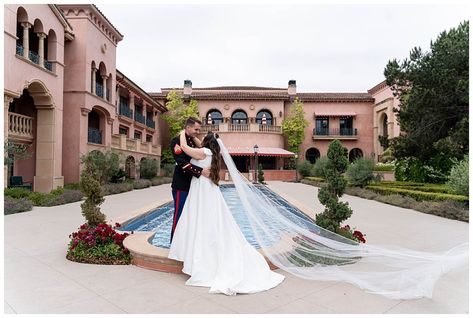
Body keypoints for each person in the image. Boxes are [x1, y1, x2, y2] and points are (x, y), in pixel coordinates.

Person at [168, 131, 285, 295]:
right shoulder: (210, 153)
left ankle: (204, 259)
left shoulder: (204, 153)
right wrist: (198, 135)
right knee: (208, 221)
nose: (199, 140)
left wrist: (182, 133)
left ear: (207, 144)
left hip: (202, 190)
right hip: (204, 189)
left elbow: (186, 148)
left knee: (204, 222)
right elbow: (198, 143)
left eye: (203, 139)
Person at [169, 117, 210, 243]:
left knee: (191, 216)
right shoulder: (176, 141)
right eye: (196, 129)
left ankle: (186, 243)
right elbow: (182, 163)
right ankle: (174, 243)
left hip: (193, 185)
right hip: (182, 184)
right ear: (188, 128)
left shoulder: (191, 141)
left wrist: (193, 137)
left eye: (199, 129)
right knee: (179, 214)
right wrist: (200, 171)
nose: (198, 131)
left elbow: (202, 147)